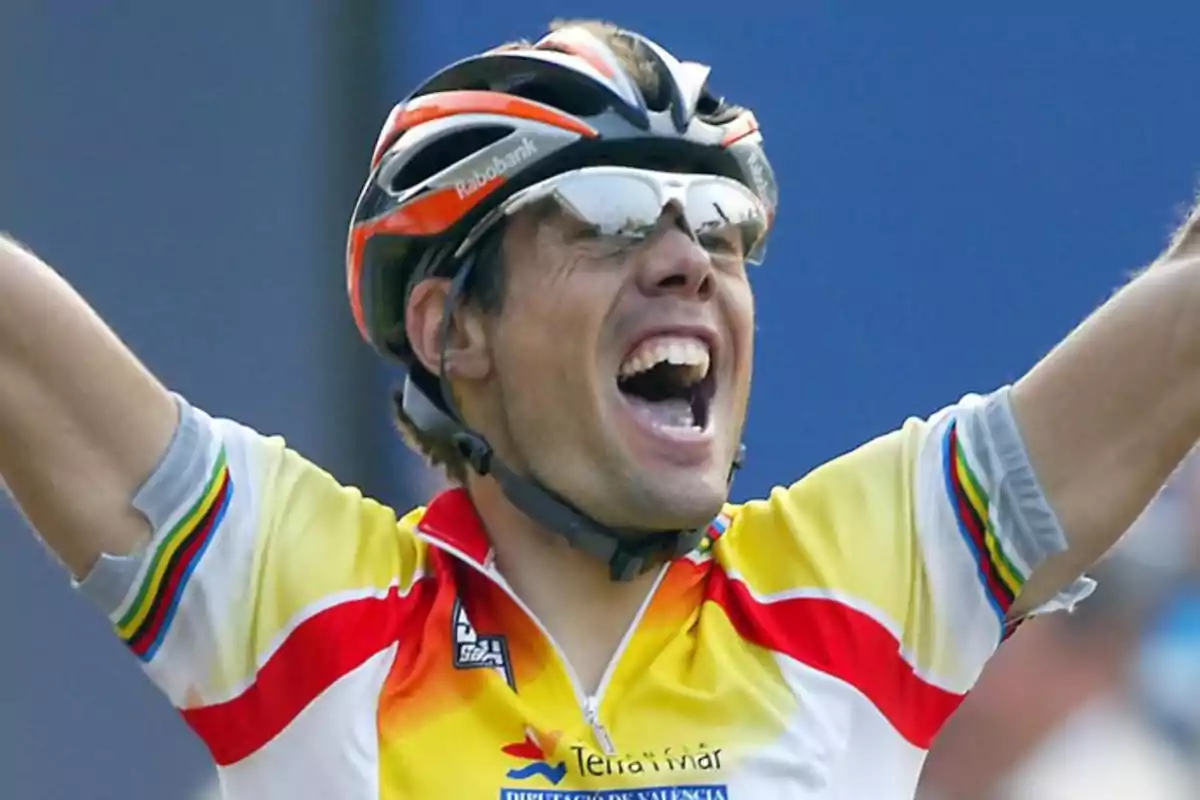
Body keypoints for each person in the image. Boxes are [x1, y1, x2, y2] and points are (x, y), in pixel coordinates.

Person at [1, 17, 1198, 800]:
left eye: (723, 230)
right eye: (616, 216)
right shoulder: (311, 604)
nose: (688, 263)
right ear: (449, 329)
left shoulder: (851, 581)